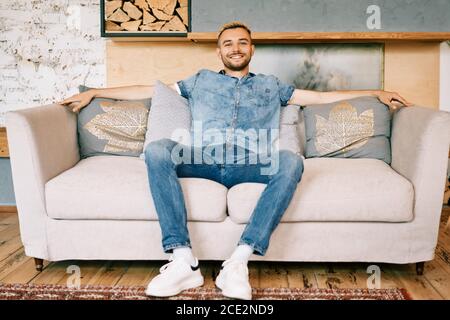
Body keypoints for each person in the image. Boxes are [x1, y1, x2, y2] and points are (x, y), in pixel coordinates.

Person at [58, 21, 411, 300]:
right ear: (219, 51)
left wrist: (375, 92)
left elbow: (321, 96)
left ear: (252, 48)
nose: (235, 48)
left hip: (251, 161)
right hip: (202, 159)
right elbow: (150, 91)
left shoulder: (273, 86)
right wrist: (94, 91)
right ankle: (182, 260)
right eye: (228, 43)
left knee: (291, 162)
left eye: (242, 42)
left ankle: (238, 261)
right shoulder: (200, 81)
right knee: (156, 150)